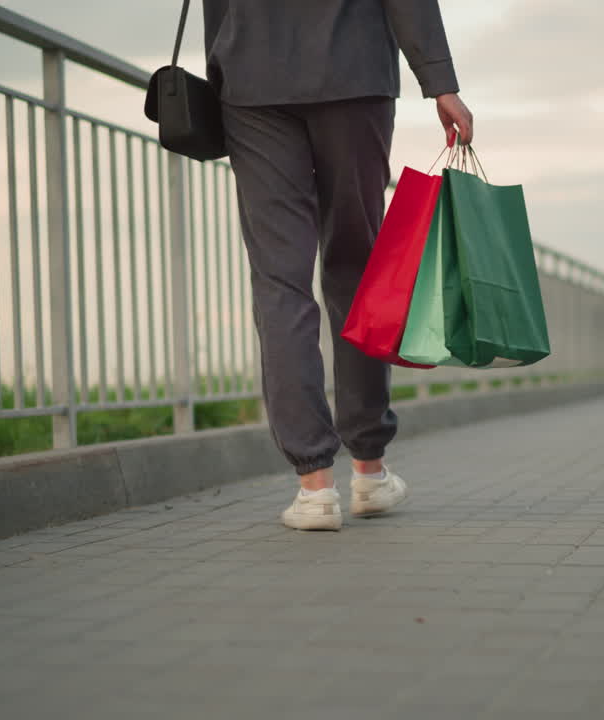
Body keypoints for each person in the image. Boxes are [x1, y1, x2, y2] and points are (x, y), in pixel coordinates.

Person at [200, 0, 474, 530]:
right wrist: (440, 82)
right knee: (357, 270)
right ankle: (369, 473)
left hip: (252, 80)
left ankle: (313, 487)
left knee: (280, 281)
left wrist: (223, 64)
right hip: (354, 73)